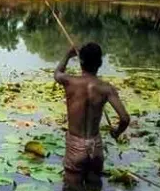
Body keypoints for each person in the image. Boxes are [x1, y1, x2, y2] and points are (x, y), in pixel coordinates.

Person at [54, 42, 130, 175]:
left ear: (81, 61)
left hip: (76, 146)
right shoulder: (106, 88)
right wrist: (117, 132)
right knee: (95, 187)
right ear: (100, 63)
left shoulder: (70, 81)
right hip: (96, 146)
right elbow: (125, 118)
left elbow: (57, 73)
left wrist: (68, 55)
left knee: (72, 189)